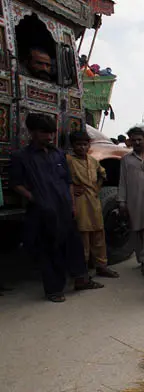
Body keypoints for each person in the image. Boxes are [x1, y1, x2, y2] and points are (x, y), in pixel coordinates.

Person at [9, 114, 103, 302]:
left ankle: (81, 280)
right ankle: (53, 290)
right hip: (43, 211)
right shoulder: (22, 157)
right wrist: (34, 198)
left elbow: (67, 182)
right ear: (32, 132)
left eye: (52, 132)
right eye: (45, 133)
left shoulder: (59, 155)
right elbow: (16, 184)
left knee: (73, 246)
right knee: (49, 250)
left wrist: (73, 205)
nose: (50, 137)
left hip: (65, 209)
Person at [66, 131, 119, 278]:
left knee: (99, 234)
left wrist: (97, 187)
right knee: (83, 236)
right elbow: (64, 180)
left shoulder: (92, 160)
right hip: (80, 201)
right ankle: (83, 271)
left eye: (84, 144)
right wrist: (72, 189)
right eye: (78, 145)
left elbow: (102, 174)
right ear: (73, 146)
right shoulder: (69, 161)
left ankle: (102, 266)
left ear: (89, 145)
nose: (82, 148)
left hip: (94, 201)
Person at [118, 127, 144, 277]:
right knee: (138, 231)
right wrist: (121, 201)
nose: (137, 142)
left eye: (140, 139)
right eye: (134, 140)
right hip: (135, 201)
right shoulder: (127, 160)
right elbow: (122, 182)